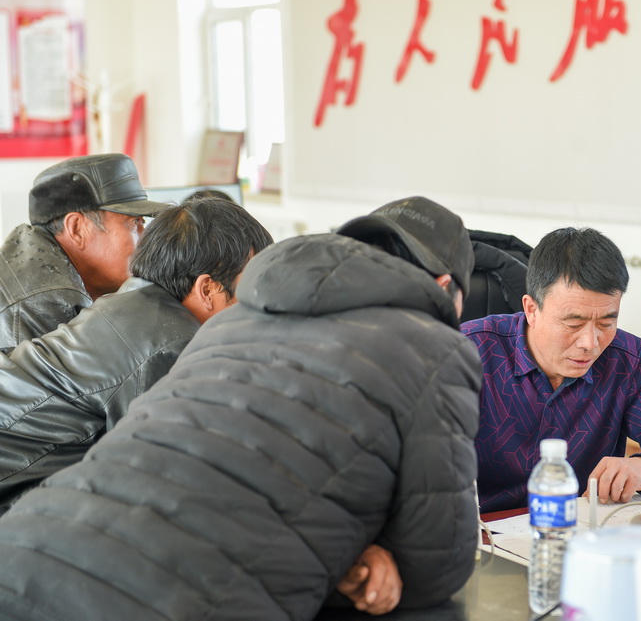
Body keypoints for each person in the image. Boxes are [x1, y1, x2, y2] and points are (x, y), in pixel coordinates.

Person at [0, 196, 481, 619]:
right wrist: (348, 566)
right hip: (168, 596)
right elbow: (436, 561)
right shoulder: (435, 348)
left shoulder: (227, 325)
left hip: (26, 547)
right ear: (443, 287)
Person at [0, 197, 273, 511]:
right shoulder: (167, 345)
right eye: (249, 292)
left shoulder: (135, 295)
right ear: (208, 289)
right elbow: (162, 474)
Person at [464, 227, 641, 514]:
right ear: (531, 309)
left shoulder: (626, 361)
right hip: (480, 537)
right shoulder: (467, 352)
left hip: (582, 532)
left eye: (606, 323)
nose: (590, 343)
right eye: (573, 323)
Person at [0, 153, 170, 353]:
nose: (145, 239)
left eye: (143, 223)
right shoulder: (48, 301)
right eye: (133, 223)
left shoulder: (35, 256)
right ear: (77, 229)